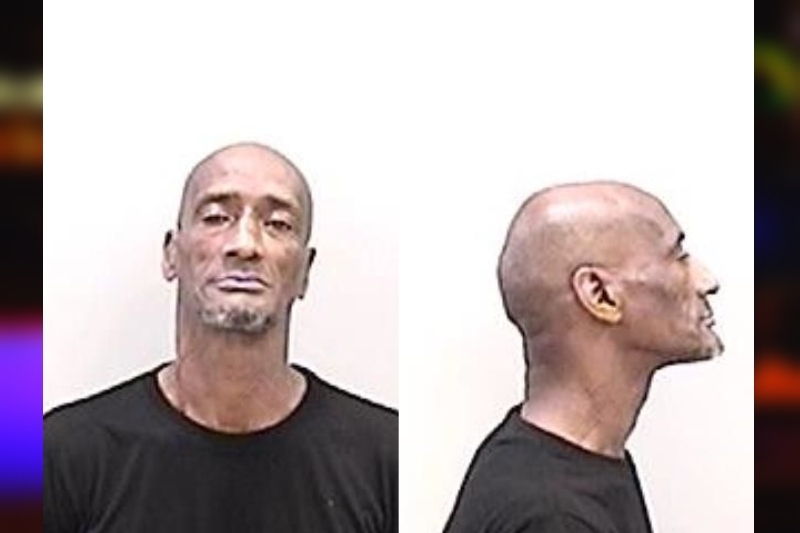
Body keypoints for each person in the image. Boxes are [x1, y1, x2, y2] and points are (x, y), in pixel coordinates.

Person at [44, 142, 397, 532]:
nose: (245, 244)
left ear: (304, 271)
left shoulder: (385, 460)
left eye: (278, 224)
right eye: (216, 217)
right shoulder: (63, 457)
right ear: (172, 253)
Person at [443, 181, 722, 533]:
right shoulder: (553, 516)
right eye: (678, 256)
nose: (707, 281)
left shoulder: (576, 468)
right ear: (600, 295)